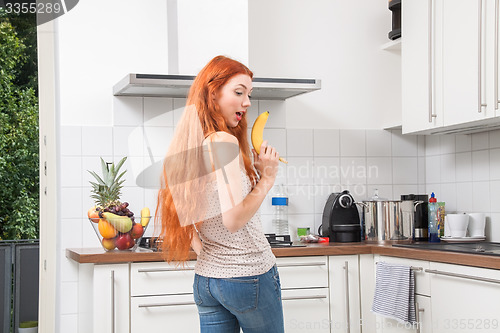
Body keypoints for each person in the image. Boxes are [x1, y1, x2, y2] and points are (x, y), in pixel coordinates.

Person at [155, 55, 285, 333]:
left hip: (207, 281)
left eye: (249, 94)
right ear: (213, 93)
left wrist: (215, 261)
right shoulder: (222, 141)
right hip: (248, 275)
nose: (247, 102)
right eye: (239, 92)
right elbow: (234, 219)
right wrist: (268, 178)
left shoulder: (189, 144)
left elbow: (187, 222)